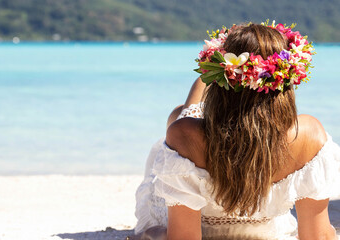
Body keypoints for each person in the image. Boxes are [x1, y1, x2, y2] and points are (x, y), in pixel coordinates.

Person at [131, 22, 340, 240]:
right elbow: (317, 236)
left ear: (223, 75)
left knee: (179, 117)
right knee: (183, 118)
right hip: (264, 231)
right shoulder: (308, 134)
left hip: (197, 226)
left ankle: (219, 88)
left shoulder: (184, 133)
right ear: (285, 81)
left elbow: (183, 237)